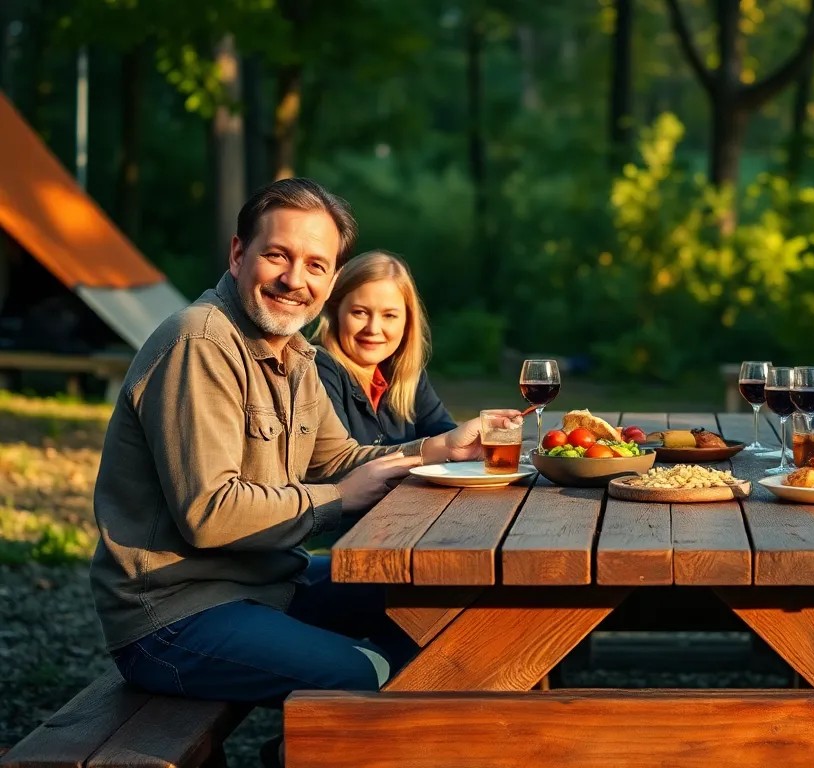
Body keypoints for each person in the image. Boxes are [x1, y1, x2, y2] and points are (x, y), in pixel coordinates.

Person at [89, 179, 514, 716]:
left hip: (269, 582)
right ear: (239, 253)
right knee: (370, 672)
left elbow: (338, 459)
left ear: (333, 279)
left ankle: (312, 747)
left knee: (440, 600)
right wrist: (336, 499)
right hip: (177, 614)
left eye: (316, 265)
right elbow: (209, 513)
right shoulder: (199, 344)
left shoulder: (293, 353)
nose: (294, 280)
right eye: (277, 256)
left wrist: (438, 448)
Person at [313, 250, 455, 447]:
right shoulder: (318, 369)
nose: (373, 329)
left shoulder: (405, 374)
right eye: (360, 312)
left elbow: (447, 435)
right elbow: (341, 461)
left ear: (407, 321)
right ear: (336, 313)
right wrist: (436, 450)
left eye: (389, 315)